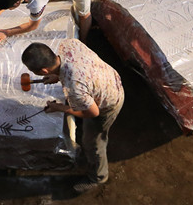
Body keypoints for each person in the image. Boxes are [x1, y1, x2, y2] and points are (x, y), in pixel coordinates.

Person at [22, 40, 124, 194]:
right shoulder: (68, 44)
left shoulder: (74, 87)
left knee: (92, 142)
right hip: (110, 78)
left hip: (109, 102)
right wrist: (57, 76)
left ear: (43, 71)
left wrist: (61, 107)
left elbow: (93, 113)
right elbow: (78, 64)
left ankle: (98, 177)